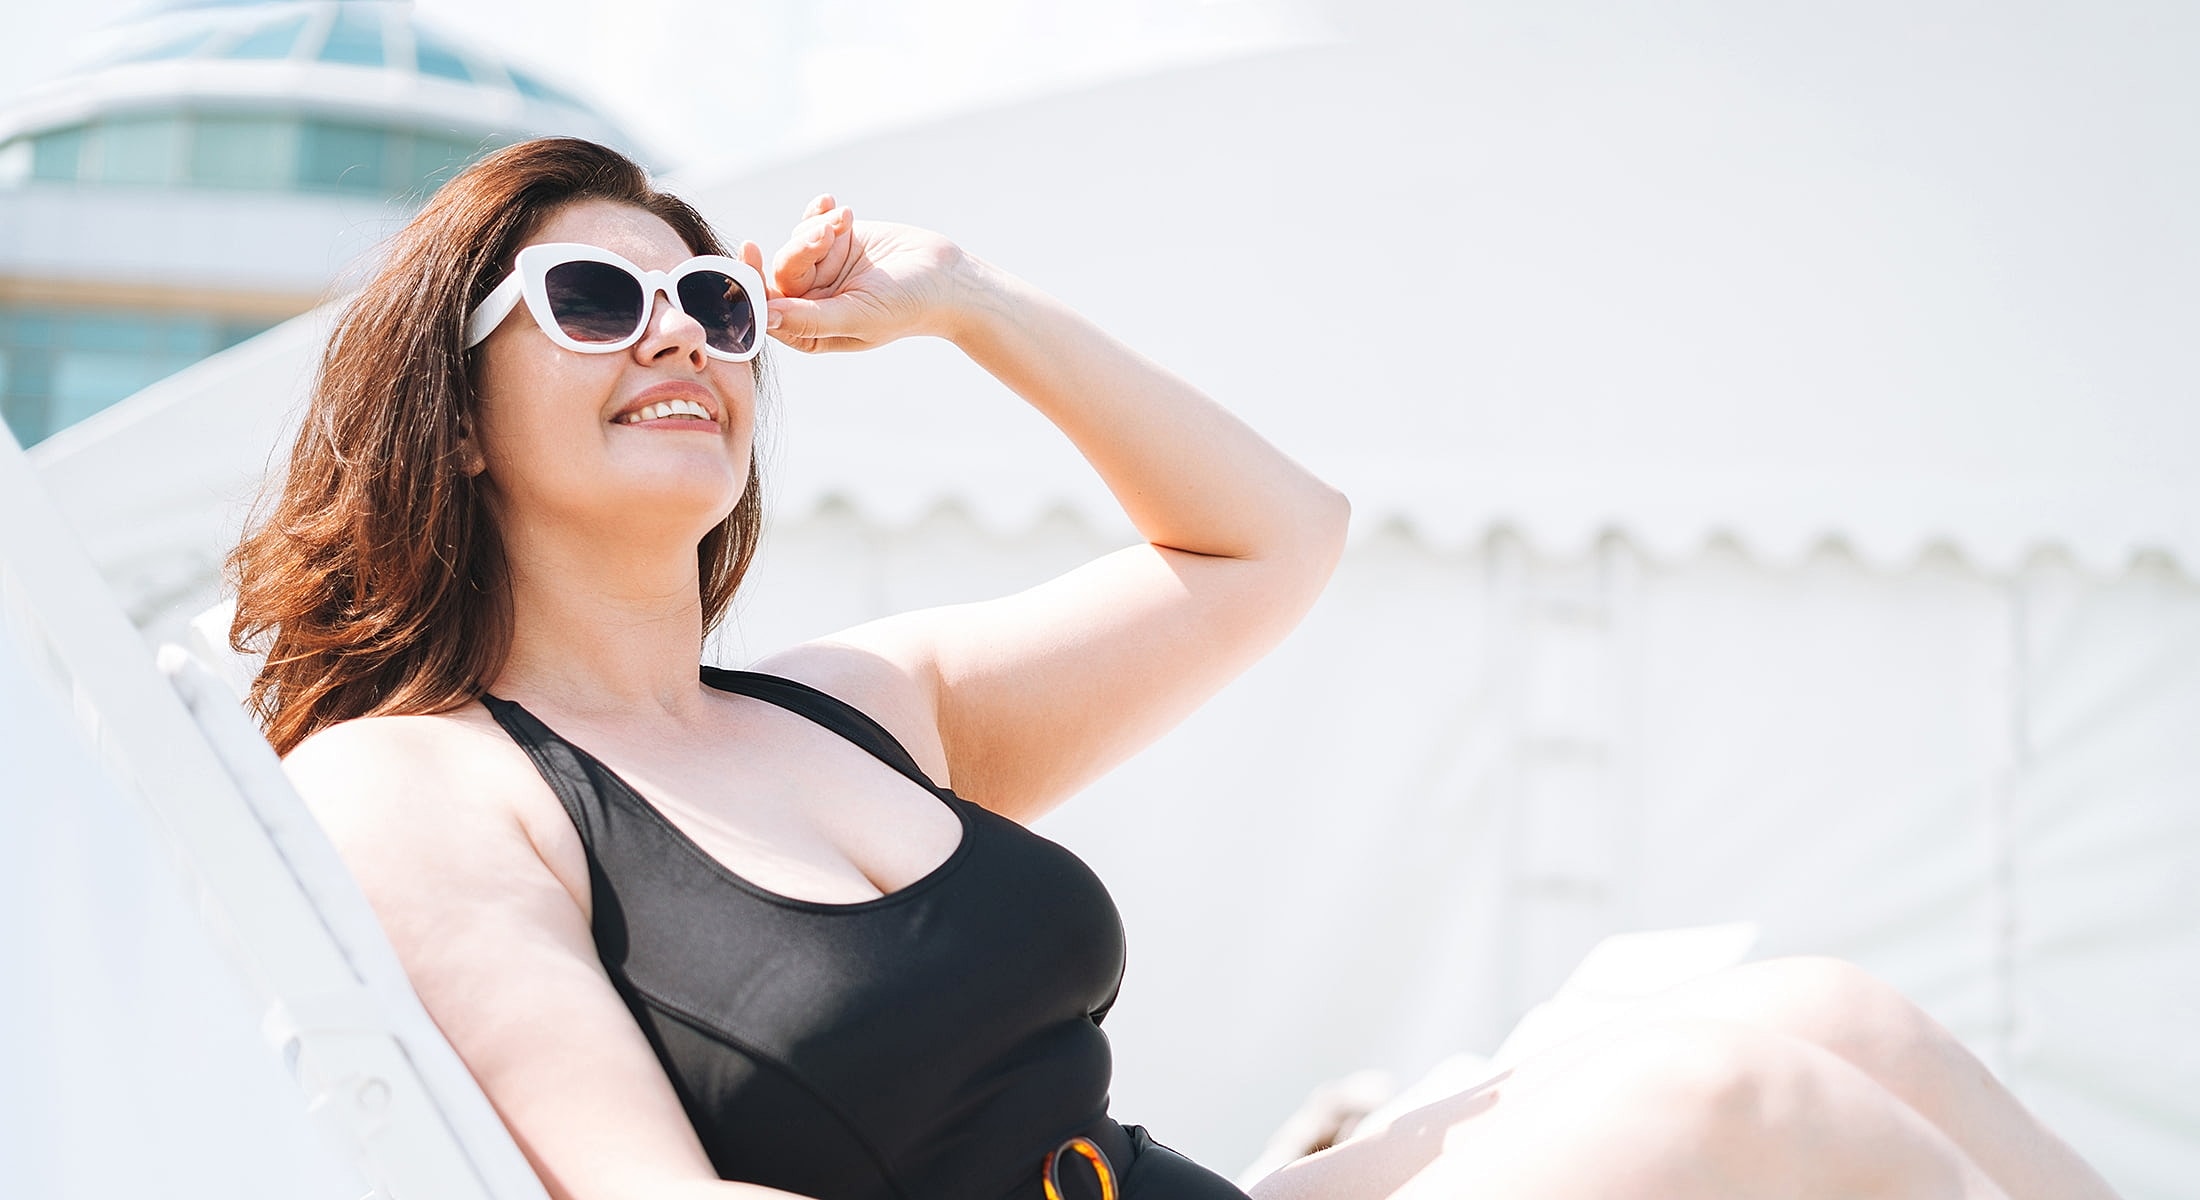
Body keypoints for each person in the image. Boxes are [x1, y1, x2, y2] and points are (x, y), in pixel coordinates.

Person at [236, 137, 2117, 1200]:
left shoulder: (847, 706)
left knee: (1827, 1016)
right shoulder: (424, 779)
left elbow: (1269, 538)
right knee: (1725, 1106)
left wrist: (970, 307)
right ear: (454, 413)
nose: (682, 335)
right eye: (590, 299)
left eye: (714, 302)